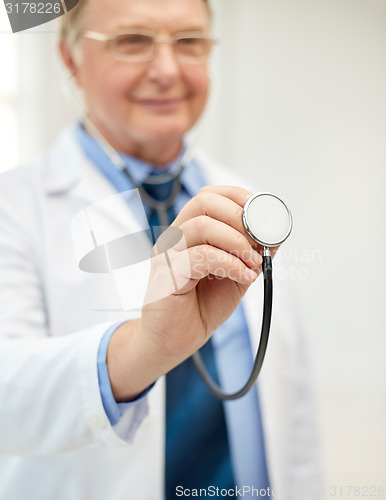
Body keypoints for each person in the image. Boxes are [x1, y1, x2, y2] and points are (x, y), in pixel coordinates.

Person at [0, 0, 322, 498]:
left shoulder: (251, 201)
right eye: (132, 41)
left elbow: (290, 409)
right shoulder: (16, 206)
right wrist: (143, 349)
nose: (168, 70)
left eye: (190, 42)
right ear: (69, 58)